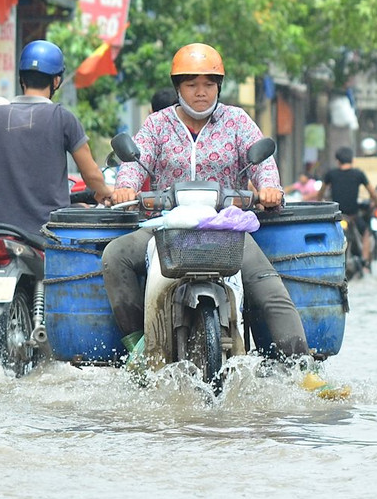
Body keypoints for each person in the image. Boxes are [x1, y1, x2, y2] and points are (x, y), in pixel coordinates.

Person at [102, 43, 310, 359]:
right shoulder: (158, 124)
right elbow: (135, 163)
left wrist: (270, 188)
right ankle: (137, 348)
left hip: (226, 227)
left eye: (209, 84)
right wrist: (125, 188)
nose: (201, 92)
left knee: (271, 293)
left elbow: (262, 162)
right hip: (167, 226)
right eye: (192, 84)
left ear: (218, 87)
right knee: (114, 255)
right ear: (178, 88)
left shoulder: (237, 120)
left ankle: (303, 367)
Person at [0, 40, 113, 234]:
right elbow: (91, 175)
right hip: (48, 233)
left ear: (21, 78)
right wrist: (106, 192)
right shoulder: (63, 118)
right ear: (56, 81)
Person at [323, 145, 377, 264]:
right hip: (352, 215)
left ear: (338, 161)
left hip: (336, 215)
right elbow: (373, 193)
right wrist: (376, 202)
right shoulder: (358, 174)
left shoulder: (331, 174)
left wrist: (319, 202)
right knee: (365, 232)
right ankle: (364, 261)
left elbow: (320, 193)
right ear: (352, 160)